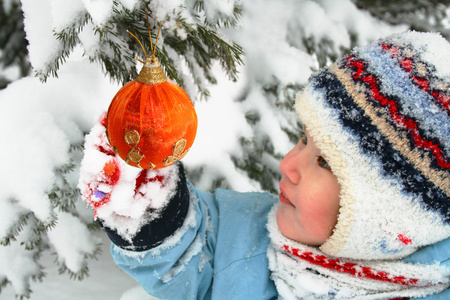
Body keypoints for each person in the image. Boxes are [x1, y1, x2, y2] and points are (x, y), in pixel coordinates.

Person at [79, 31, 450, 299]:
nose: (288, 163)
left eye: (324, 162)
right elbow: (190, 262)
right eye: (303, 139)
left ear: (385, 215)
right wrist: (151, 207)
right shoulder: (249, 236)